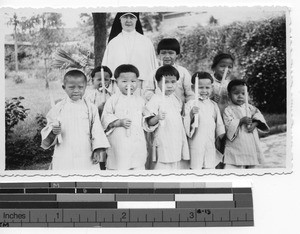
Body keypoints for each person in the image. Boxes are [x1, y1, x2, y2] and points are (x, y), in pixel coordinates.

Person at [41, 69, 110, 170]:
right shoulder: (58, 108)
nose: (76, 90)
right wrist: (53, 131)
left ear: (85, 87)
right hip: (64, 151)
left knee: (86, 180)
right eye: (71, 87)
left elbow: (97, 130)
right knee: (65, 180)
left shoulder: (90, 108)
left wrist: (97, 149)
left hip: (86, 151)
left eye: (80, 87)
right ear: (64, 88)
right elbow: (49, 130)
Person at [101, 64, 148, 170]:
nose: (129, 84)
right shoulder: (113, 99)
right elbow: (106, 117)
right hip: (119, 141)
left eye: (133, 81)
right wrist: (118, 122)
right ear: (116, 82)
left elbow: (146, 119)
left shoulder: (140, 100)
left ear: (138, 81)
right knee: (120, 165)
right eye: (124, 81)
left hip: (136, 140)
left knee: (136, 165)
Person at [144, 65, 190, 170]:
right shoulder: (155, 99)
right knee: (163, 165)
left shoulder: (176, 99)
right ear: (158, 83)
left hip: (176, 138)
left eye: (173, 82)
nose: (170, 86)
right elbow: (149, 122)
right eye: (166, 82)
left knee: (177, 165)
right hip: (163, 138)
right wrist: (157, 118)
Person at [102, 12, 158, 95]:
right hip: (119, 88)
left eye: (131, 17)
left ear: (136, 19)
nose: (128, 20)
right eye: (125, 17)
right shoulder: (113, 43)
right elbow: (106, 70)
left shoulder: (146, 42)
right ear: (120, 20)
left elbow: (153, 69)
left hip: (141, 87)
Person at [223, 79, 270, 169]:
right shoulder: (228, 110)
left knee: (251, 164)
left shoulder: (250, 108)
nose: (240, 96)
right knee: (235, 166)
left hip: (250, 141)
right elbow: (228, 125)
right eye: (236, 93)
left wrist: (255, 123)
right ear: (229, 95)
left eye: (243, 94)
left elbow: (258, 115)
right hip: (237, 143)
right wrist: (240, 121)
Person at [184, 72, 225, 169]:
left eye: (207, 88)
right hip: (196, 142)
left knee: (209, 167)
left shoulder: (213, 105)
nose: (204, 91)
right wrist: (191, 114)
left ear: (211, 88)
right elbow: (185, 123)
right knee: (196, 168)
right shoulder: (190, 104)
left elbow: (219, 124)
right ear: (194, 88)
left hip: (210, 141)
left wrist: (219, 138)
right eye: (200, 87)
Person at [145, 38, 194, 102]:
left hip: (179, 109)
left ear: (177, 55)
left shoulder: (183, 72)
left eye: (171, 53)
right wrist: (157, 100)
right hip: (160, 108)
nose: (167, 56)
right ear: (158, 55)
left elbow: (190, 93)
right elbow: (148, 91)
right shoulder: (154, 72)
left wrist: (189, 106)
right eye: (163, 53)